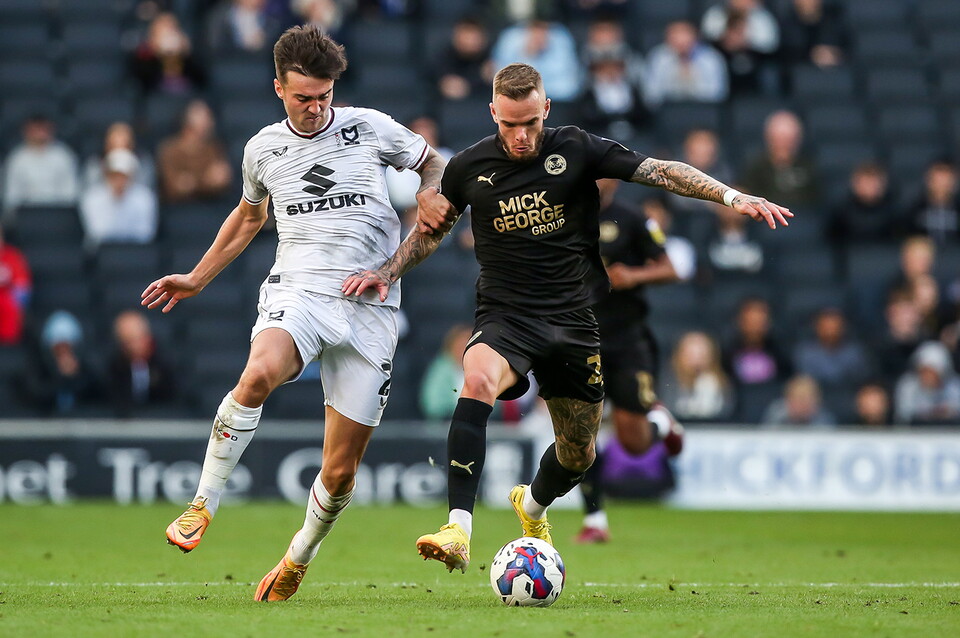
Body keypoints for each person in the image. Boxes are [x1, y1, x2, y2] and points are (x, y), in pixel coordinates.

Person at [342, 63, 791, 572]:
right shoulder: (468, 167)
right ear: (493, 112)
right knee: (477, 378)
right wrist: (387, 269)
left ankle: (531, 505)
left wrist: (732, 196)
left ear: (546, 109)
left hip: (574, 321)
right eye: (509, 124)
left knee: (578, 454)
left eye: (530, 122)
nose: (520, 135)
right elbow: (431, 231)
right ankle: (457, 529)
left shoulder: (576, 148)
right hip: (506, 315)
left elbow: (662, 171)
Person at [140, 26, 450, 602]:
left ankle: (298, 556)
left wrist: (430, 190)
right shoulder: (262, 149)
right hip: (299, 289)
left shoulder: (370, 126)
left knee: (339, 473)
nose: (315, 108)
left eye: (324, 97)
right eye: (303, 97)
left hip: (370, 304)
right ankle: (203, 503)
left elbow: (432, 166)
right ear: (278, 86)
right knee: (258, 373)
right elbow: (249, 216)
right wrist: (197, 277)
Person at [574, 178, 684, 544]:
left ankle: (659, 423)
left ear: (614, 181)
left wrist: (634, 275)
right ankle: (595, 521)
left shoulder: (635, 219)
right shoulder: (562, 213)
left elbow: (671, 269)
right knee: (579, 434)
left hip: (626, 340)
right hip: (576, 339)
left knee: (634, 442)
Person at [1, 115, 79, 221]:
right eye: (36, 129)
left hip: (58, 215)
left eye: (43, 129)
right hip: (26, 216)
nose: (40, 134)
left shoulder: (63, 156)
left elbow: (71, 193)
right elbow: (11, 196)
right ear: (27, 131)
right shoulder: (16, 159)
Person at [79, 148, 158, 251]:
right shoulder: (91, 197)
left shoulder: (145, 197)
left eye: (124, 176)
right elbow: (97, 232)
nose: (119, 181)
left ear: (132, 176)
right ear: (106, 175)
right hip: (102, 254)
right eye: (114, 175)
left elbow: (145, 233)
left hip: (136, 253)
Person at [156, 99, 233, 203]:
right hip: (178, 208)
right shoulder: (169, 149)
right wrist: (206, 180)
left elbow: (222, 180)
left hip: (211, 204)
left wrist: (192, 182)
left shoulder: (214, 148)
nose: (211, 122)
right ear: (189, 124)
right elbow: (173, 187)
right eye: (206, 117)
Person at [741, 110, 820, 208]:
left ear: (798, 141)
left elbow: (818, 204)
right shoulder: (755, 169)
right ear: (768, 139)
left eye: (789, 140)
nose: (784, 145)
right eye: (779, 139)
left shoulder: (809, 169)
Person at [107, 309, 177, 417]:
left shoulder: (166, 366)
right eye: (127, 342)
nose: (132, 347)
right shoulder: (114, 369)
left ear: (147, 338)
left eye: (135, 339)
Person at [644, 21, 728, 108]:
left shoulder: (711, 58)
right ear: (668, 40)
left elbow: (718, 94)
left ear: (695, 39)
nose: (682, 45)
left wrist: (692, 78)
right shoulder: (658, 58)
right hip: (667, 112)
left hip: (703, 111)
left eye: (686, 41)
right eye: (676, 40)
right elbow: (651, 95)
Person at [660, 331, 734, 422]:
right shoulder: (667, 383)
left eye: (701, 355)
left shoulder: (721, 384)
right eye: (691, 355)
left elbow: (726, 412)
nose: (696, 360)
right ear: (679, 355)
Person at [894, 341, 960, 424]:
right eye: (924, 371)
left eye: (933, 372)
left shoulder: (954, 387)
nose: (928, 376)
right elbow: (904, 416)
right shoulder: (908, 386)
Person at [419, 324, 473, 421]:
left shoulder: (484, 369)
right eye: (460, 345)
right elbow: (432, 404)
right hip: (444, 426)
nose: (464, 350)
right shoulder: (440, 369)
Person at [761, 374, 835, 428]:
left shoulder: (824, 419)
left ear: (817, 401)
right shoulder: (777, 414)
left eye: (807, 399)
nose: (803, 404)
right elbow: (766, 439)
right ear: (788, 399)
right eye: (799, 399)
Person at [0, 226, 32, 345]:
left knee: (9, 306)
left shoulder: (12, 256)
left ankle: (9, 347)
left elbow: (23, 285)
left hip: (8, 300)